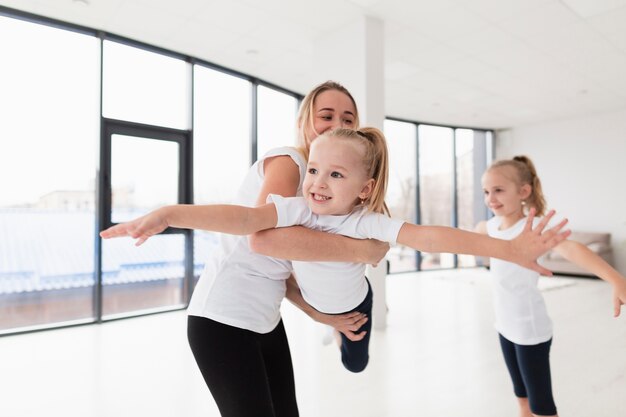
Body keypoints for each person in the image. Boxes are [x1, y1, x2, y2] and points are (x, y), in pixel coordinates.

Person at [101, 127, 571, 393]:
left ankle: (348, 343)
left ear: (364, 189)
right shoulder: (296, 208)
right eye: (313, 170)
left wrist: (507, 248)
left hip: (356, 302)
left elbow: (429, 236)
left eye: (336, 174)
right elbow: (244, 219)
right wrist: (169, 214)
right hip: (308, 305)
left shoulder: (368, 221)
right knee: (340, 343)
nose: (318, 182)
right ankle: (337, 332)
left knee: (355, 362)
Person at [475, 156, 626, 417]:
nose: (491, 198)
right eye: (486, 191)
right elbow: (454, 238)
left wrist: (616, 278)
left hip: (529, 330)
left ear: (524, 192)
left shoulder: (532, 229)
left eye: (498, 190)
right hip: (504, 325)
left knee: (541, 407)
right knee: (520, 397)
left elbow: (572, 249)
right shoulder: (488, 227)